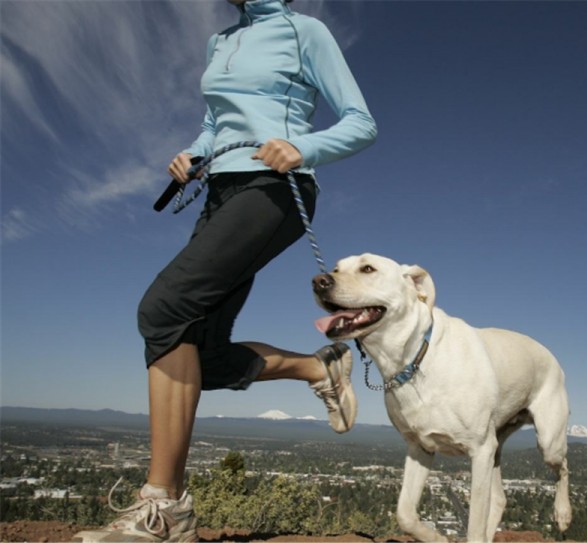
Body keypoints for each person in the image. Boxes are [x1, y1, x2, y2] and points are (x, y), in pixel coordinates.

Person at [74, 0, 376, 541]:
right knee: (201, 357)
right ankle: (318, 369)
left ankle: (164, 507)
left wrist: (302, 145)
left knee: (164, 309)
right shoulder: (220, 41)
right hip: (220, 190)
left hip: (274, 188)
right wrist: (193, 153)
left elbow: (361, 123)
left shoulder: (303, 30)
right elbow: (216, 122)